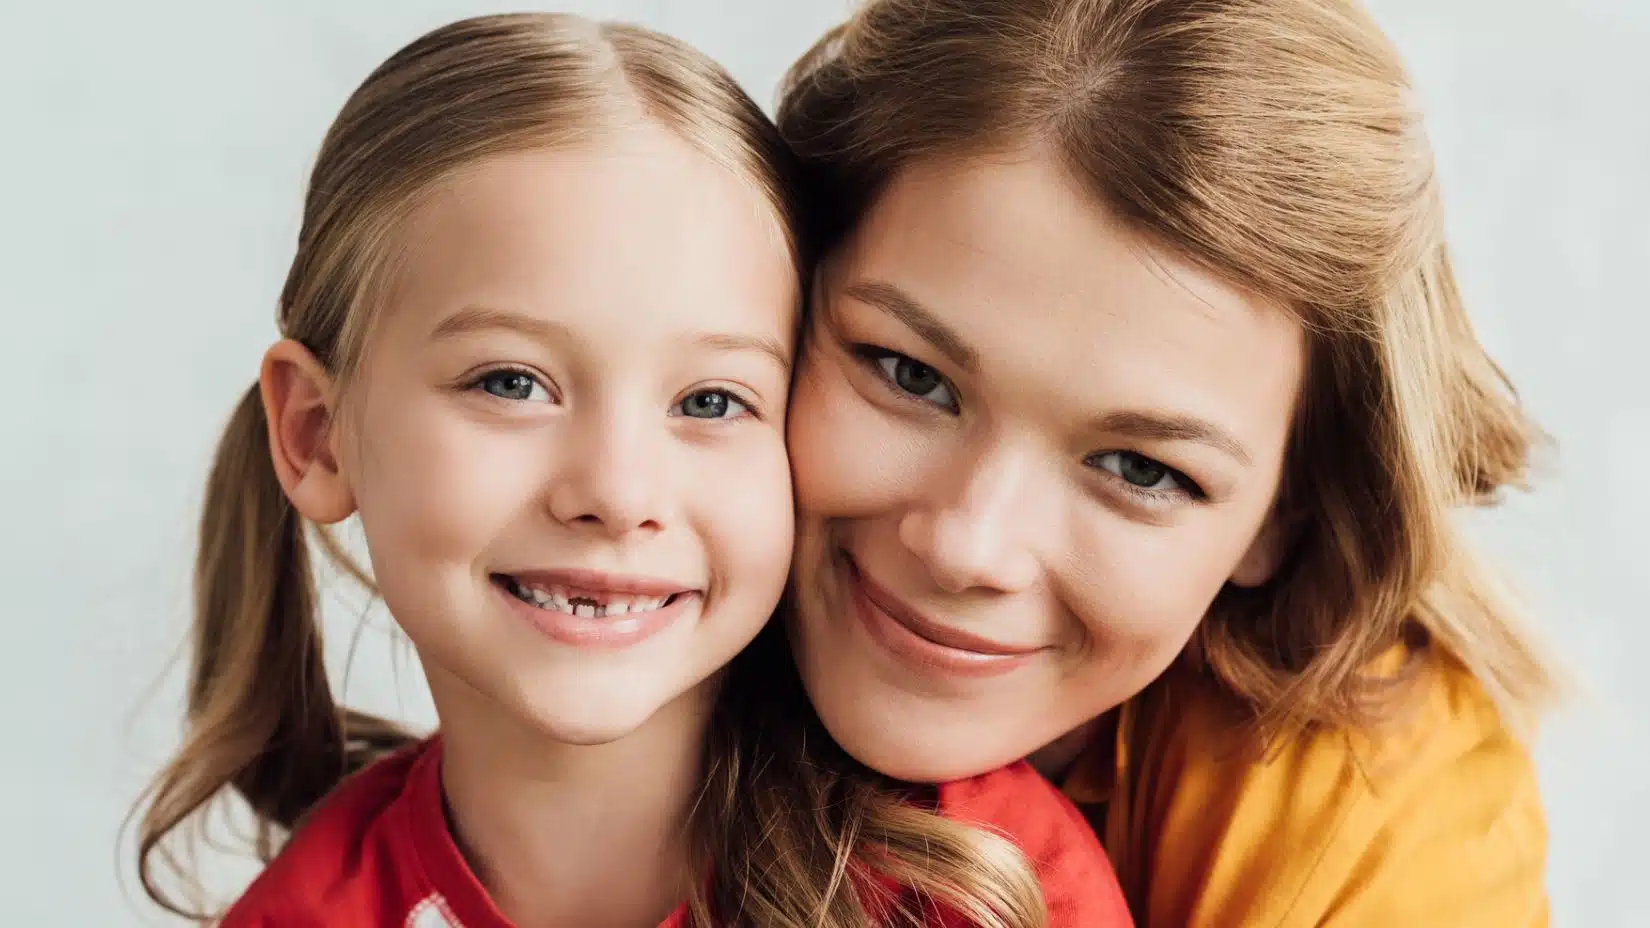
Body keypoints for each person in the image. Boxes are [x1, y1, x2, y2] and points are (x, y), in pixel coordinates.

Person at [131, 13, 1131, 928]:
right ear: (317, 434)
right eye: (512, 382)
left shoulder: (982, 885)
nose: (617, 491)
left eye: (709, 401)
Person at [776, 0, 1562, 924]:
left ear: (1285, 515)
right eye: (909, 374)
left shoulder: (1371, 834)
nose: (967, 546)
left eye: (1141, 470)